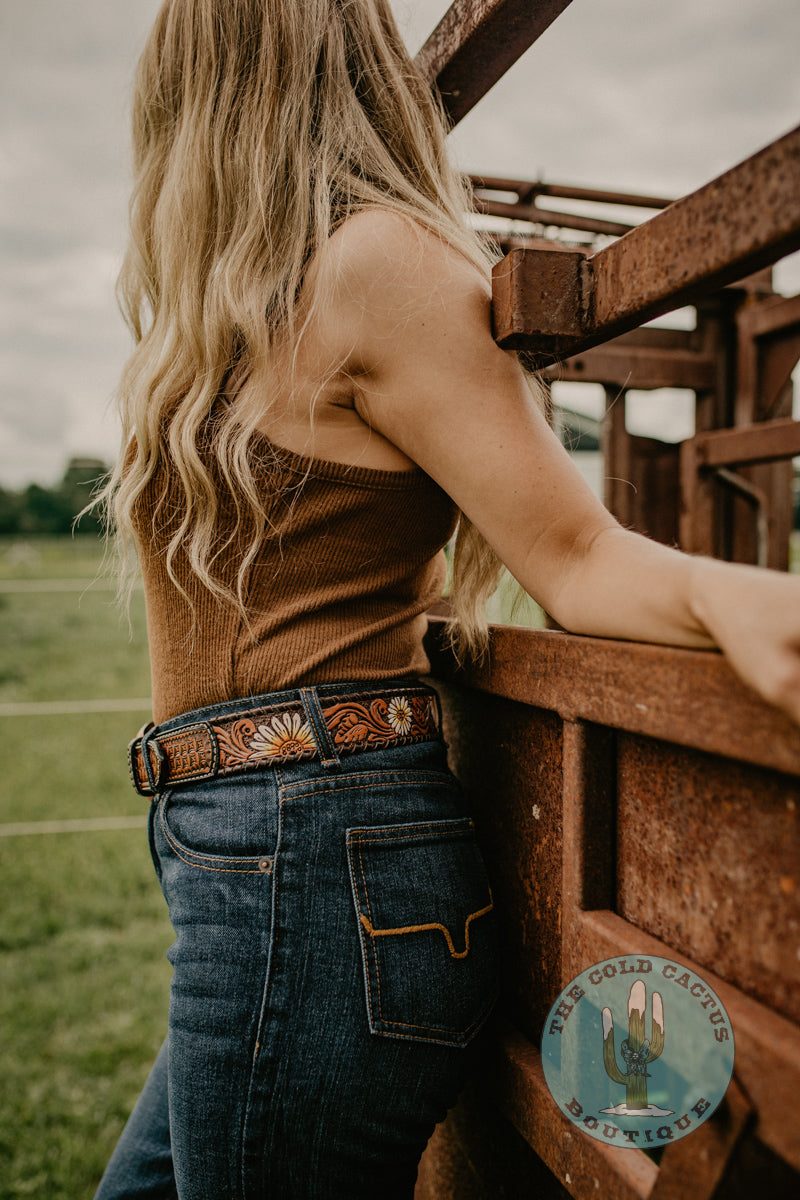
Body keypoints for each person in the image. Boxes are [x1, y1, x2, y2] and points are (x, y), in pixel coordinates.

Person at [94, 2, 800, 1197]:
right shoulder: (244, 300)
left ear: (219, 67)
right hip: (247, 855)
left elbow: (573, 552)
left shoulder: (376, 262)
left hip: (310, 860)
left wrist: (741, 600)